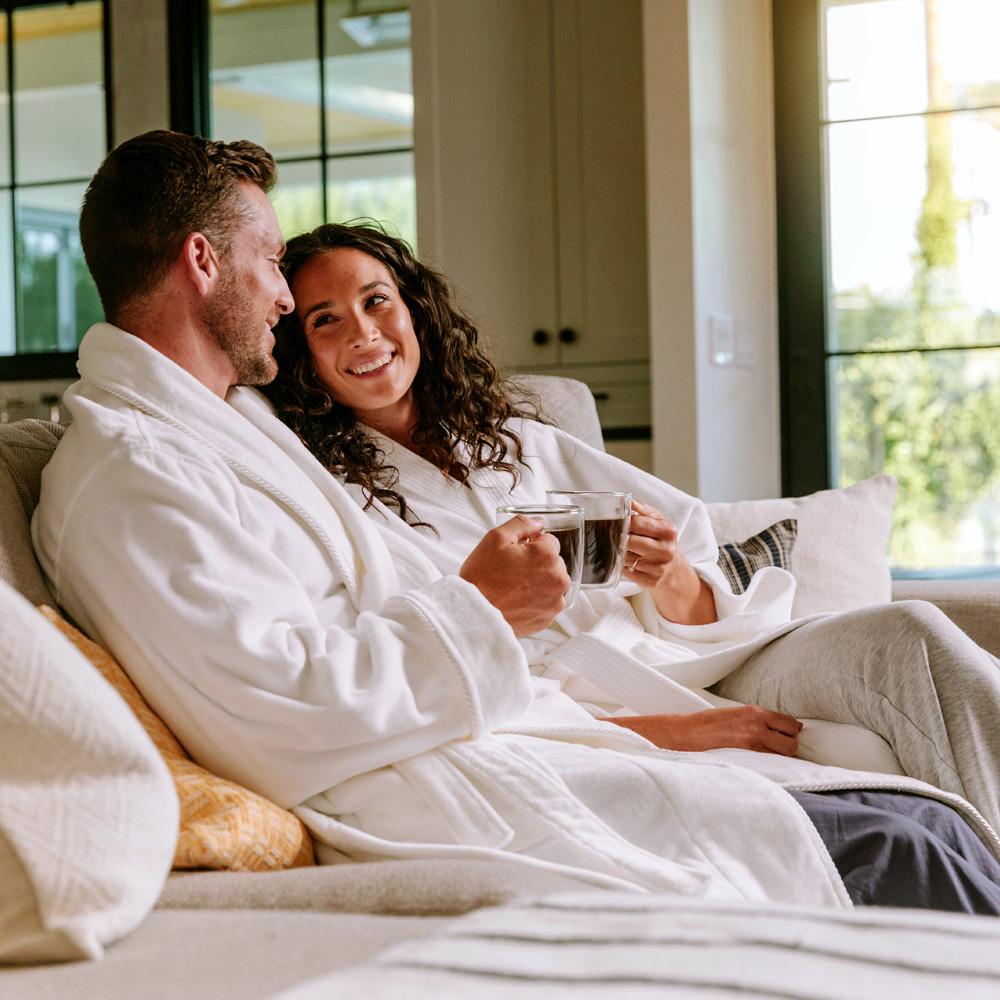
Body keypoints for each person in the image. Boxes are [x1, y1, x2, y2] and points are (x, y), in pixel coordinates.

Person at [31, 132, 1000, 917]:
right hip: (444, 780)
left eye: (371, 301)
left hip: (521, 722)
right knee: (898, 842)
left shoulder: (222, 433)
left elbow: (674, 555)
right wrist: (482, 610)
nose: (285, 300)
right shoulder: (128, 474)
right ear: (203, 261)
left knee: (919, 813)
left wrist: (648, 588)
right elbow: (281, 713)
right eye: (278, 269)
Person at [262, 221, 1000, 835]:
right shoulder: (331, 502)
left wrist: (669, 575)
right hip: (605, 711)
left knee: (912, 635)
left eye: (377, 301)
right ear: (302, 357)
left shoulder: (521, 443)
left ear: (415, 311)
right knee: (889, 818)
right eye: (326, 320)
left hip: (710, 659)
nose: (364, 332)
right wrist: (679, 732)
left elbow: (701, 594)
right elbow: (445, 689)